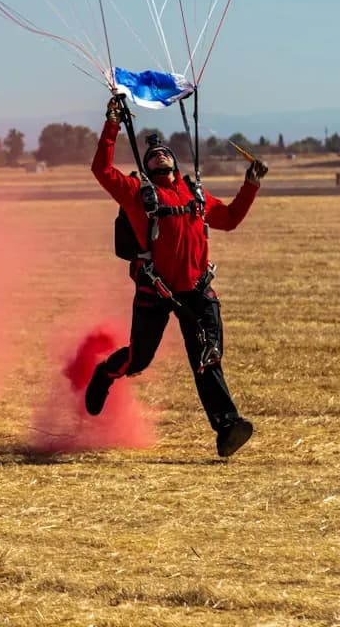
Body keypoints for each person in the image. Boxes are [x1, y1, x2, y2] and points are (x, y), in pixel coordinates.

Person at [87, 94, 268, 457]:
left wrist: (250, 184)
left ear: (175, 160)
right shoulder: (137, 194)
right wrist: (112, 123)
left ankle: (227, 427)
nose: (159, 154)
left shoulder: (195, 195)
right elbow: (102, 171)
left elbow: (230, 220)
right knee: (138, 360)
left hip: (198, 291)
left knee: (207, 356)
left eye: (165, 152)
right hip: (157, 290)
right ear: (146, 164)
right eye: (152, 154)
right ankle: (105, 373)